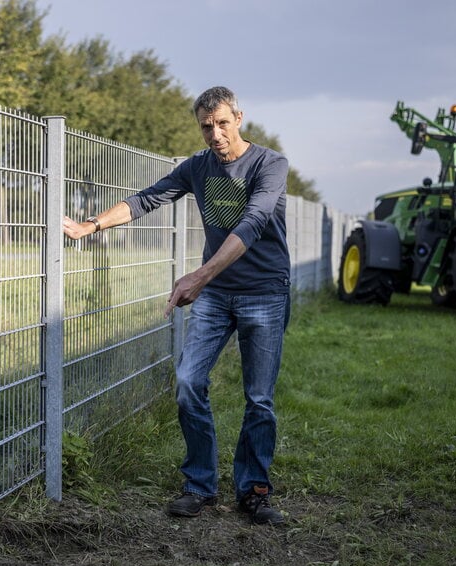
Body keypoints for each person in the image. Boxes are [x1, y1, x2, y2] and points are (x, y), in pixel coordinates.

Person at [62, 86, 289, 525]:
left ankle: (254, 491)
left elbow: (254, 222)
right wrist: (90, 226)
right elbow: (147, 198)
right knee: (187, 381)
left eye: (223, 123)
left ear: (239, 117)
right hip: (218, 296)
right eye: (207, 127)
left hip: (264, 292)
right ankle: (200, 485)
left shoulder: (270, 164)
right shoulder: (198, 168)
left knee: (258, 397)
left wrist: (198, 276)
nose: (216, 134)